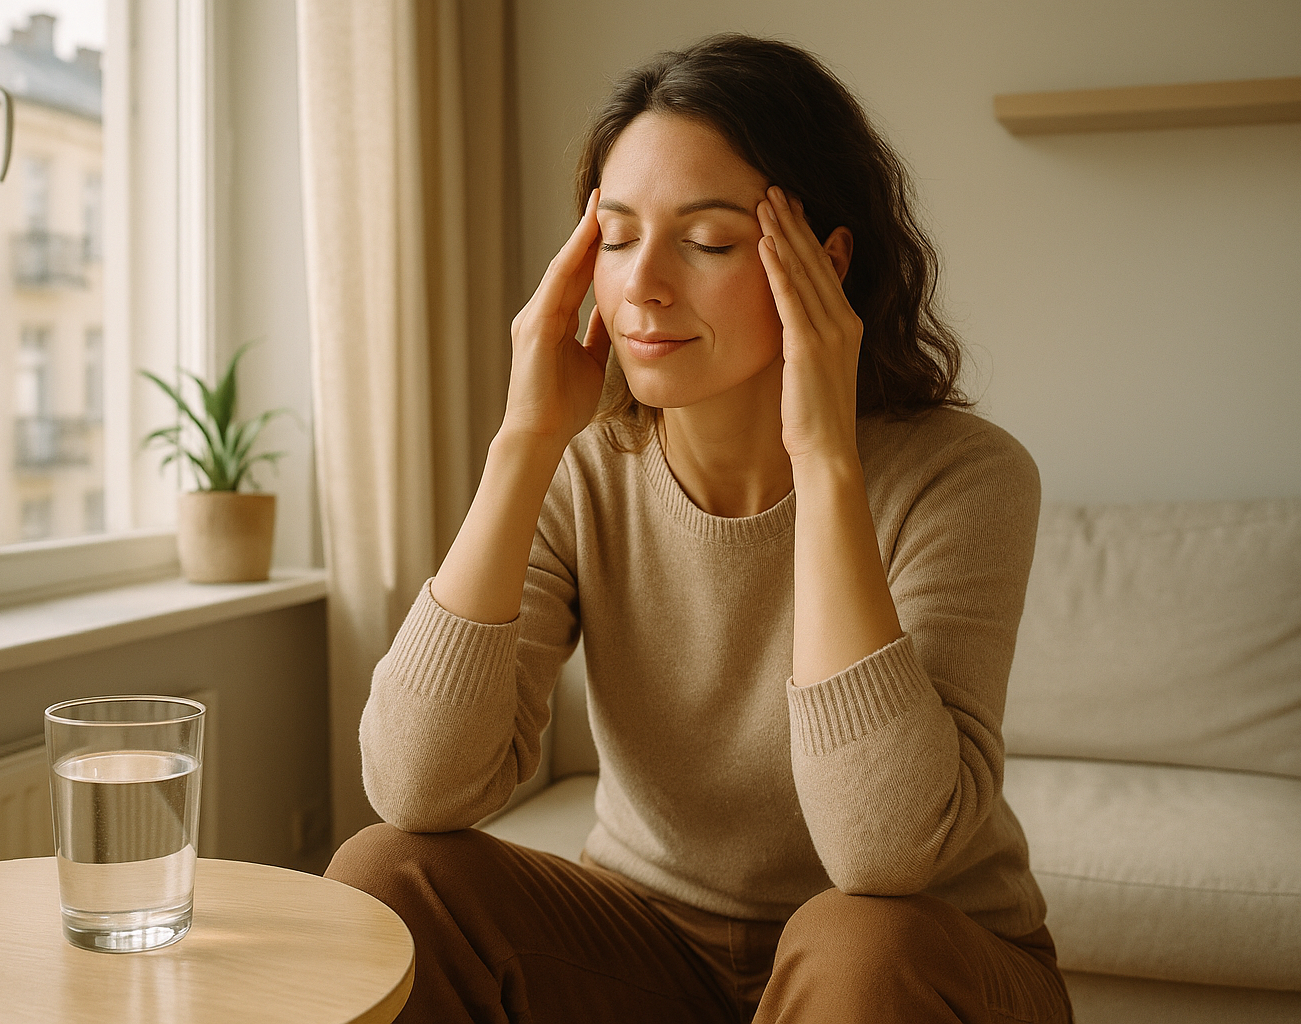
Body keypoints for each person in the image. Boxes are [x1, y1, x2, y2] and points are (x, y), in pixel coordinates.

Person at [326, 33, 1073, 1024]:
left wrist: (827, 465)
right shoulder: (584, 472)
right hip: (652, 955)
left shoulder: (965, 478)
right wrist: (524, 440)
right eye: (618, 237)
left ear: (827, 260)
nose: (642, 287)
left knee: (857, 937)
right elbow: (416, 787)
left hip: (917, 964)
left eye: (710, 241)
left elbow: (886, 855)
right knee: (388, 872)